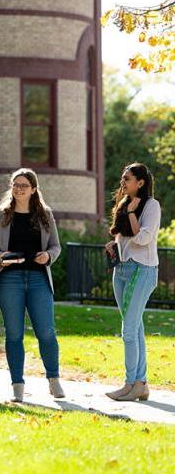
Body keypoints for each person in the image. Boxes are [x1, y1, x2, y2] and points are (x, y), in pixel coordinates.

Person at [0, 168, 64, 402]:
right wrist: (1, 256)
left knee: (46, 332)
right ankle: (17, 385)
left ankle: (53, 379)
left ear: (34, 189)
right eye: (15, 184)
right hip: (9, 279)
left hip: (38, 278)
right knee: (14, 334)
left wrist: (48, 256)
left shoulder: (45, 215)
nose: (18, 188)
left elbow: (56, 246)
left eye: (24, 185)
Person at [105, 163, 160, 401]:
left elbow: (144, 239)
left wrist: (130, 213)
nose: (123, 182)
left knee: (128, 330)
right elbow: (123, 236)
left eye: (127, 179)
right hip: (122, 269)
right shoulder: (124, 203)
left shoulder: (151, 206)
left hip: (143, 269)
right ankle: (141, 384)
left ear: (141, 182)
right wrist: (114, 246)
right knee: (134, 326)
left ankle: (131, 383)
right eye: (122, 178)